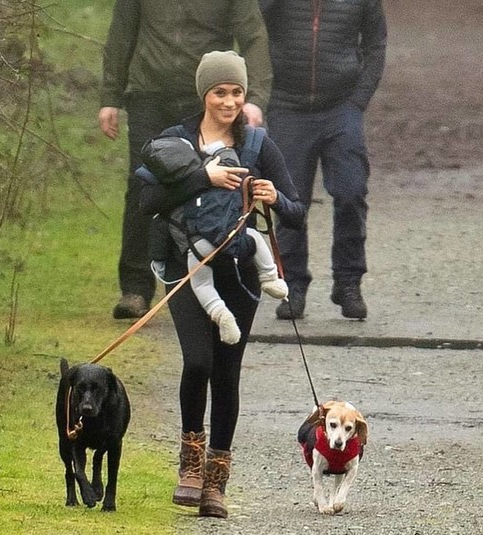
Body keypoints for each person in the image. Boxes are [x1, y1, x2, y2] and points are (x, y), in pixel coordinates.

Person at [139, 51, 305, 518]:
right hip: (186, 267)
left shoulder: (258, 146)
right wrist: (202, 176)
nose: (229, 102)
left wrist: (274, 197)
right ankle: (190, 465)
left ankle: (216, 481)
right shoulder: (174, 141)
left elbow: (296, 211)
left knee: (227, 372)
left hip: (239, 270)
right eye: (220, 92)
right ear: (204, 95)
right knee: (198, 361)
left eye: (236, 92)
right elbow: (146, 201)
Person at [98, 0, 273, 319]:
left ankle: (219, 278)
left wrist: (254, 98)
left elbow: (253, 36)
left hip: (206, 98)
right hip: (149, 95)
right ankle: (135, 288)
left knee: (219, 185)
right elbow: (122, 34)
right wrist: (110, 96)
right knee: (142, 186)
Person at [259, 0, 387, 320]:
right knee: (289, 199)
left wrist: (358, 100)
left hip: (341, 107)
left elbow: (376, 43)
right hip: (286, 106)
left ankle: (348, 282)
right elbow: (254, 29)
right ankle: (293, 286)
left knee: (351, 191)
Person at [138, 132, 289, 345]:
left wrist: (160, 263)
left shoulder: (168, 181)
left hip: (197, 247)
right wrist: (216, 153)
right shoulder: (215, 162)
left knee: (202, 285)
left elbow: (157, 222)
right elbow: (228, 157)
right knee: (255, 237)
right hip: (232, 236)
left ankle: (219, 313)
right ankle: (270, 278)